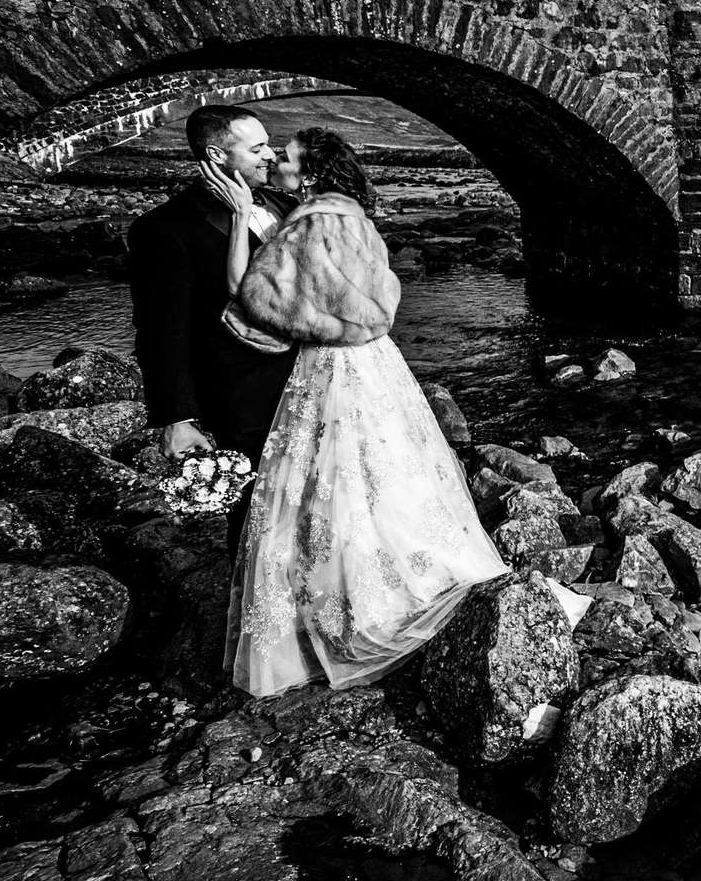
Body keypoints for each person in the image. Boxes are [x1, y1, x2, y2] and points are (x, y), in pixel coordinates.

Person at [211, 127, 508, 697]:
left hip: (330, 365)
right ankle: (404, 579)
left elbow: (254, 293)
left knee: (329, 482)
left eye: (288, 161)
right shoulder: (358, 220)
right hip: (378, 362)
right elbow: (376, 297)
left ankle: (353, 613)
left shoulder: (309, 223)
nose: (276, 166)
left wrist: (241, 218)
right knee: (388, 473)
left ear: (313, 176)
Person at [126, 104, 300, 569]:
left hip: (312, 380)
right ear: (216, 154)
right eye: (258, 147)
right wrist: (176, 417)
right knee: (260, 509)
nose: (271, 155)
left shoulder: (287, 204)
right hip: (242, 395)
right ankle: (258, 613)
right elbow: (162, 330)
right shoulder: (164, 229)